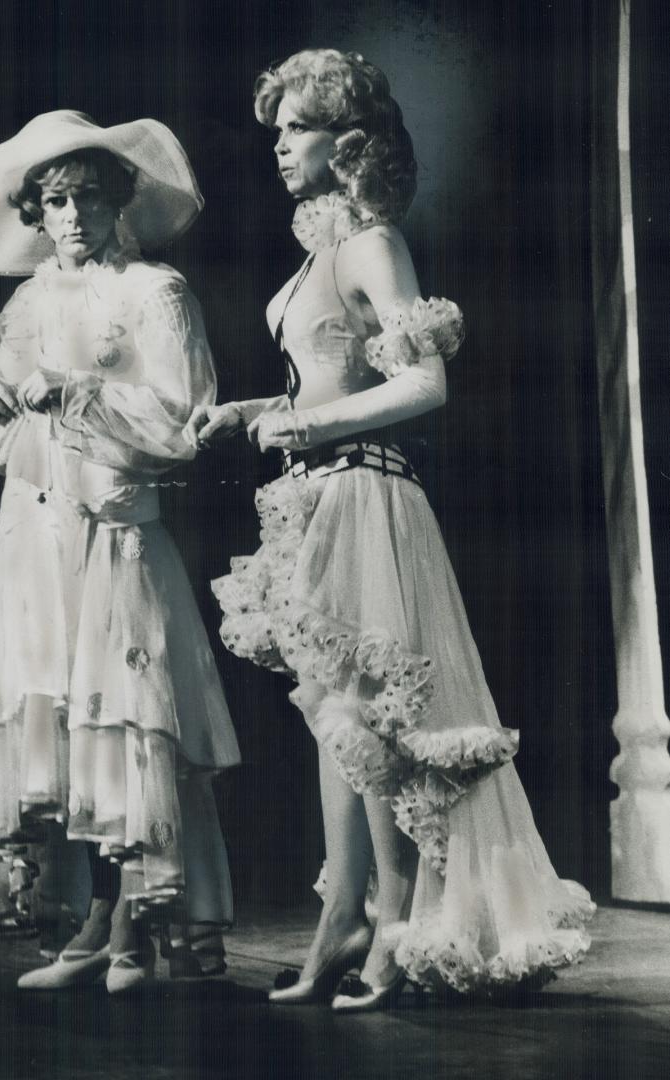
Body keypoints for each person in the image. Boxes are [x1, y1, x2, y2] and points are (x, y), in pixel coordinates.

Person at [185, 49, 594, 1011]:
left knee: (374, 723)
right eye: (277, 131)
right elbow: (323, 380)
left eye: (296, 130)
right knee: (340, 728)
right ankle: (345, 919)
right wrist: (251, 412)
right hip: (313, 497)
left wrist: (302, 424)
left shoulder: (372, 241)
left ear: (347, 142)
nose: (279, 147)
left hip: (367, 493)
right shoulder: (316, 254)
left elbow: (423, 382)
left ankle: (392, 926)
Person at [0, 110, 240, 991]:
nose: (70, 216)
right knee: (58, 720)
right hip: (34, 536)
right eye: (54, 200)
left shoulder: (155, 292)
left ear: (118, 201)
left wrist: (73, 390)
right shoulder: (30, 298)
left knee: (125, 718)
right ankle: (86, 923)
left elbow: (181, 423)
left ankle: (141, 928)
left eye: (87, 196)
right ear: (35, 212)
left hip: (111, 533)